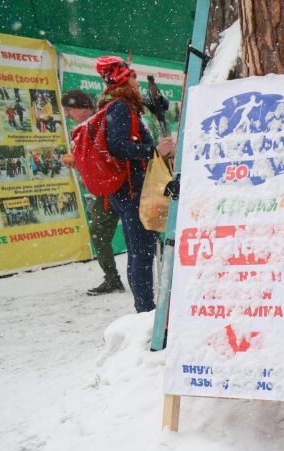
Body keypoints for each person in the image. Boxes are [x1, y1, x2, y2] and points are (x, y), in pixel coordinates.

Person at [95, 56, 175, 312]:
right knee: (141, 254)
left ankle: (147, 308)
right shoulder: (119, 107)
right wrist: (155, 151)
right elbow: (118, 146)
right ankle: (146, 312)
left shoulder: (116, 106)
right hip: (132, 193)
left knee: (141, 252)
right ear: (122, 80)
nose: (137, 82)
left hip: (130, 191)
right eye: (132, 77)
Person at [60, 89, 125, 296]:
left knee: (137, 234)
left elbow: (104, 154)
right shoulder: (85, 127)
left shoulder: (100, 122)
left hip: (117, 188)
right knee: (98, 234)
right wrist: (76, 158)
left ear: (83, 108)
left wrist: (77, 159)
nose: (68, 114)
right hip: (105, 191)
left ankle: (158, 274)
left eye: (70, 109)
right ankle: (113, 278)